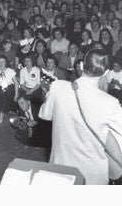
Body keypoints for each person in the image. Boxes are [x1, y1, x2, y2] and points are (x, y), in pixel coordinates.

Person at [39, 49, 122, 184]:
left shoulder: (57, 87)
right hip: (92, 175)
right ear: (106, 72)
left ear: (82, 65)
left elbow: (45, 115)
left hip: (61, 169)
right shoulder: (110, 103)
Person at [0, 55, 18, 124]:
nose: (1, 63)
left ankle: (8, 112)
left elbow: (16, 83)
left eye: (3, 62)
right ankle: (1, 113)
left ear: (6, 62)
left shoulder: (10, 70)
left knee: (7, 93)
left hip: (9, 89)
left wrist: (16, 94)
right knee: (0, 94)